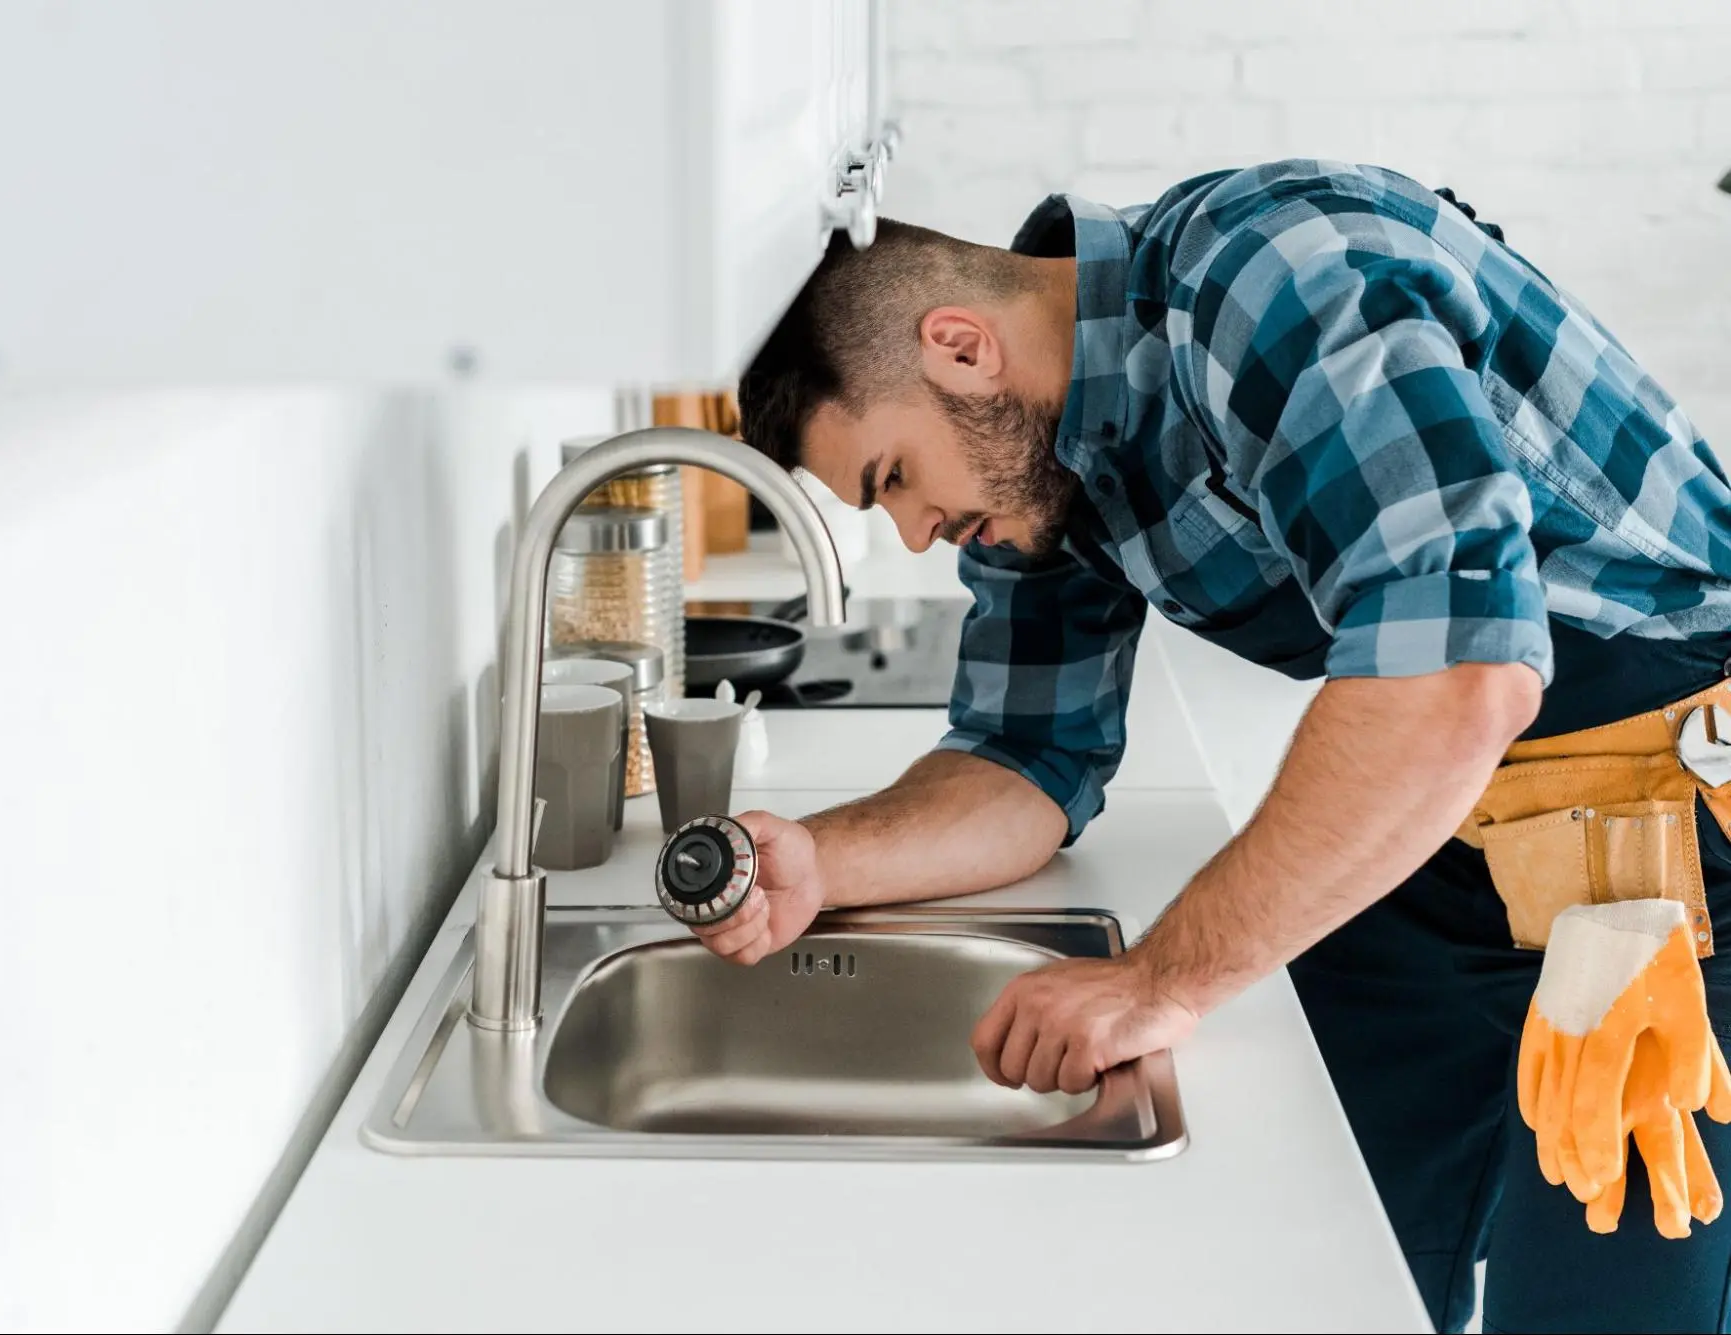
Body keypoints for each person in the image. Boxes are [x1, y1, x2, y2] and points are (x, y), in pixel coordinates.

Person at [697, 159, 1731, 1334]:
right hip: (1441, 832)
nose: (918, 532)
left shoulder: (1275, 275)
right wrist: (822, 862)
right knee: (1327, 1267)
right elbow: (1021, 761)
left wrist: (1161, 979)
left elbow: (1455, 677)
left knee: (1600, 1302)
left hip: (1678, 838)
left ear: (960, 348)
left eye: (891, 478)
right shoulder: (1040, 470)